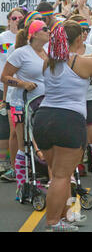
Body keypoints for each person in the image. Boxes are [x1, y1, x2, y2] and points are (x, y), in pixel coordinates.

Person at [32, 20, 92, 231]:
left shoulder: (49, 62)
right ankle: (53, 222)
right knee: (62, 176)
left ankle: (61, 217)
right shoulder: (81, 62)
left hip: (44, 117)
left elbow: (75, 62)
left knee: (58, 174)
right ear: (80, 38)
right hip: (68, 120)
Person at [1, 20, 49, 198]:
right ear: (34, 34)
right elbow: (4, 77)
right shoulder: (21, 53)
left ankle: (41, 177)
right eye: (45, 29)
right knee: (23, 144)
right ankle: (21, 187)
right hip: (22, 103)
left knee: (44, 142)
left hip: (44, 104)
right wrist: (22, 83)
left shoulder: (47, 52)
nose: (49, 31)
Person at [69, 15, 92, 183]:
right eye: (81, 30)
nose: (84, 33)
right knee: (74, 139)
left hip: (90, 98)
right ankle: (73, 172)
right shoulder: (65, 52)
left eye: (87, 30)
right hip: (71, 100)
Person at [0, 8, 25, 177]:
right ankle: (12, 166)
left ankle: (26, 165)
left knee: (23, 130)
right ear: (9, 20)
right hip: (6, 88)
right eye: (14, 17)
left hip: (26, 92)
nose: (17, 20)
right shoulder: (3, 39)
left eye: (20, 18)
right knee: (10, 130)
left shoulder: (27, 41)